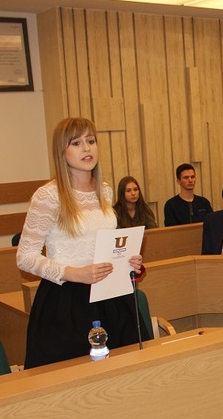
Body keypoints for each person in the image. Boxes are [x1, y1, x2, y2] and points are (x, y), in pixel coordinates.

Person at [16, 117, 148, 368]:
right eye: (76, 143)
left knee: (128, 369)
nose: (86, 148)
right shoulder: (48, 196)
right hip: (67, 300)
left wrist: (127, 260)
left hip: (110, 293)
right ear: (62, 151)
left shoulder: (104, 190)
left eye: (91, 141)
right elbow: (24, 257)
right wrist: (76, 273)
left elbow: (104, 243)